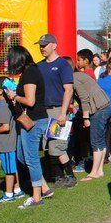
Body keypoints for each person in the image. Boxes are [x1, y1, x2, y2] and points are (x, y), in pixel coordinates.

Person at [4, 45, 54, 209]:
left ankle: (36, 196)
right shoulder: (28, 73)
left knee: (31, 158)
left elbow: (30, 101)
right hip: (30, 120)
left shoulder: (30, 73)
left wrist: (14, 96)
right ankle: (44, 188)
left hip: (34, 120)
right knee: (21, 155)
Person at [36, 34, 76, 188]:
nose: (42, 48)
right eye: (40, 45)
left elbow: (68, 90)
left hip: (58, 110)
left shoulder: (62, 65)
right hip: (43, 111)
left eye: (44, 45)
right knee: (48, 146)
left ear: (54, 45)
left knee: (57, 146)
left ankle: (70, 176)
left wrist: (63, 113)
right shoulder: (39, 66)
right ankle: (58, 177)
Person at [74, 49, 111, 181]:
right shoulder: (83, 75)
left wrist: (85, 117)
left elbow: (84, 98)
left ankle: (94, 172)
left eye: (78, 60)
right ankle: (99, 170)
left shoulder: (78, 77)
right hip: (105, 106)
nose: (77, 62)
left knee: (95, 140)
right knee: (100, 140)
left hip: (98, 109)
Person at [0, 76, 23, 204]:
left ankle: (9, 195)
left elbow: (5, 127)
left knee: (8, 170)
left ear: (1, 91)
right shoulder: (5, 103)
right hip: (7, 142)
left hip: (6, 143)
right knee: (12, 167)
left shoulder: (4, 105)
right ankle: (17, 189)